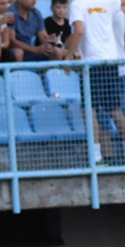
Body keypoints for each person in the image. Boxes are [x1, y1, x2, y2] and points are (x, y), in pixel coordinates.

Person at [67, 0, 125, 162]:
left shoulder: (77, 4)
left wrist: (68, 56)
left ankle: (96, 157)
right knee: (115, 109)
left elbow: (78, 31)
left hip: (91, 64)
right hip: (111, 61)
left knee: (89, 110)